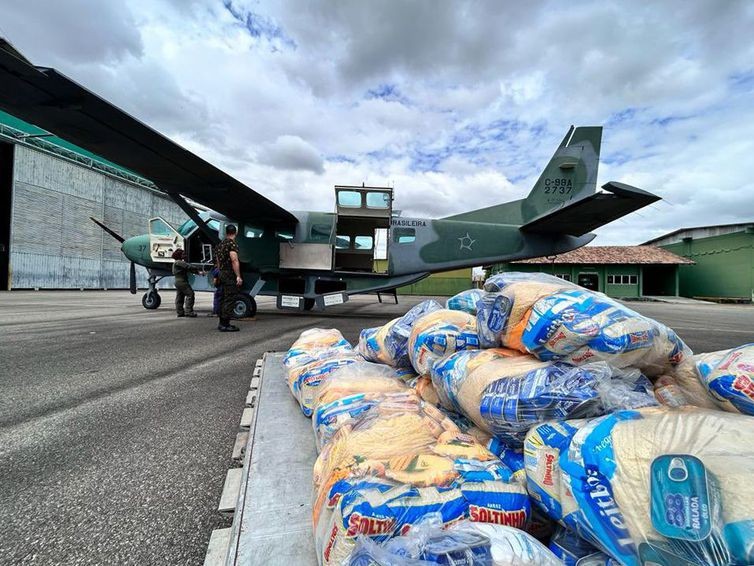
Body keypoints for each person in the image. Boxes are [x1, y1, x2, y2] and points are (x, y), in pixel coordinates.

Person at [215, 225, 242, 332]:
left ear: (226, 232)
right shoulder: (232, 244)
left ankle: (222, 322)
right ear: (236, 232)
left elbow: (217, 262)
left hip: (221, 272)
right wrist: (238, 276)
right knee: (230, 298)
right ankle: (225, 324)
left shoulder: (220, 244)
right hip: (229, 274)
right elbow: (234, 260)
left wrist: (218, 274)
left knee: (222, 298)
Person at [172, 249, 204, 318]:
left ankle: (180, 312)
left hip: (178, 282)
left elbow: (188, 269)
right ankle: (189, 312)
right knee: (190, 294)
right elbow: (189, 266)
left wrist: (198, 273)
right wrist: (198, 267)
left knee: (180, 297)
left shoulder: (177, 263)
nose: (185, 255)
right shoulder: (179, 262)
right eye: (183, 254)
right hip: (182, 282)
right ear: (179, 255)